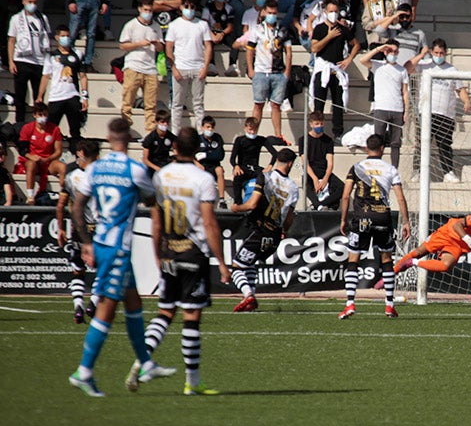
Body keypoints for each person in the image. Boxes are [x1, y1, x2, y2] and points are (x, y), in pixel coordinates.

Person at [68, 118, 175, 397]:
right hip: (117, 248)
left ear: (108, 137)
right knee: (106, 308)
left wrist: (86, 243)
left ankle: (147, 364)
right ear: (128, 138)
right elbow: (153, 201)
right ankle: (84, 371)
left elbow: (77, 207)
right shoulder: (136, 170)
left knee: (134, 301)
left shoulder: (95, 169)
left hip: (103, 242)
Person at [128, 127, 232, 395]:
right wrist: (221, 261)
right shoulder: (203, 178)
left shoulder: (161, 176)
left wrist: (157, 254)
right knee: (191, 315)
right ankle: (192, 382)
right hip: (192, 253)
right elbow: (209, 222)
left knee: (165, 312)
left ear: (174, 147)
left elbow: (156, 222)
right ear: (197, 148)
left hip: (168, 251)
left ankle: (141, 360)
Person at [339, 134, 411, 319]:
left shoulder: (356, 167)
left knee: (353, 259)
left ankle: (349, 304)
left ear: (366, 148)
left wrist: (343, 219)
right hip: (382, 218)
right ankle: (389, 305)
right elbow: (400, 197)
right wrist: (406, 221)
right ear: (382, 149)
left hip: (361, 218)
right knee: (386, 260)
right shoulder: (390, 169)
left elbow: (346, 195)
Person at [230, 147, 299, 312]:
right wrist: (285, 231)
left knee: (237, 267)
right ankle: (251, 302)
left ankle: (248, 295)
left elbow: (252, 204)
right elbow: (289, 218)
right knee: (251, 264)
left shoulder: (265, 177)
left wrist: (236, 208)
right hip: (274, 235)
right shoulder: (293, 188)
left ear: (277, 161)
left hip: (259, 229)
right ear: (290, 164)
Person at [390, 213, 471, 291]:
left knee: (445, 266)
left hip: (457, 247)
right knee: (418, 251)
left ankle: (412, 263)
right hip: (447, 233)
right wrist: (469, 241)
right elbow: (457, 225)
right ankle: (389, 276)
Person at [407, 38, 471, 182]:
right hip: (425, 113)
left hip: (446, 114)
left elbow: (460, 89)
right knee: (422, 143)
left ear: (446, 53)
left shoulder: (452, 70)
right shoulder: (424, 65)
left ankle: (448, 172)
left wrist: (467, 101)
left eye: (441, 53)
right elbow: (407, 68)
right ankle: (417, 171)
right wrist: (420, 55)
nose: (438, 56)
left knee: (444, 144)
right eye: (436, 52)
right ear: (431, 52)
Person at [56, 138, 100, 323]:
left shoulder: (70, 177)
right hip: (99, 228)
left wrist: (60, 228)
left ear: (82, 154)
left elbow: (60, 205)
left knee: (78, 270)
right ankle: (93, 304)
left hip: (78, 229)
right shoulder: (102, 176)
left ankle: (78, 308)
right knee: (103, 271)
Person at [310, 0, 359, 142]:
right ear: (325, 12)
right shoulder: (319, 28)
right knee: (319, 102)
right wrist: (329, 36)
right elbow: (314, 48)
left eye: (336, 11)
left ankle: (338, 133)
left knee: (338, 103)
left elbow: (355, 45)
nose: (333, 14)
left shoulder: (343, 29)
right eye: (331, 11)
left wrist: (348, 59)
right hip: (322, 69)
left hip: (336, 70)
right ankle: (316, 131)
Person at [246, 0, 293, 142]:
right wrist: (250, 69)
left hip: (278, 73)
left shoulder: (283, 30)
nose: (272, 15)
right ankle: (252, 134)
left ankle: (278, 136)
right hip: (260, 72)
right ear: (264, 12)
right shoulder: (257, 29)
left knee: (276, 105)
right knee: (258, 104)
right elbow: (249, 50)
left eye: (274, 13)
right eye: (269, 13)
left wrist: (287, 72)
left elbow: (289, 51)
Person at [166, 0, 213, 134]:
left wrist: (205, 67)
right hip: (180, 67)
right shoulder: (174, 25)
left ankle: (201, 134)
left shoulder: (202, 24)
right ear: (180, 7)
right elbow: (169, 47)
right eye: (186, 7)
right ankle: (175, 133)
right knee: (177, 104)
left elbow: (208, 47)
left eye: (192, 7)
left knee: (198, 104)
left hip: (198, 68)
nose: (189, 10)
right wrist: (173, 68)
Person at [359, 39, 409, 168]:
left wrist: (406, 111)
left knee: (395, 142)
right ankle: (377, 166)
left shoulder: (402, 70)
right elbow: (362, 60)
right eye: (390, 50)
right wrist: (379, 49)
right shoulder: (378, 65)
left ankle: (394, 169)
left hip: (397, 108)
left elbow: (405, 92)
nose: (393, 53)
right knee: (378, 140)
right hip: (381, 108)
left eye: (396, 51)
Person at [36, 24, 87, 149]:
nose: (66, 38)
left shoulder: (78, 54)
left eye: (68, 36)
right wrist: (40, 96)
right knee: (50, 129)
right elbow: (46, 76)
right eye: (63, 36)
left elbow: (83, 76)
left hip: (72, 96)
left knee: (75, 130)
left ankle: (77, 157)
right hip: (55, 97)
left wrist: (85, 97)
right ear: (57, 37)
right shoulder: (51, 56)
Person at [119, 0, 164, 132]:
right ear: (139, 9)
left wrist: (157, 44)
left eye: (150, 10)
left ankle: (150, 131)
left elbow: (161, 48)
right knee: (128, 101)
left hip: (150, 68)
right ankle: (126, 128)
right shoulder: (131, 25)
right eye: (145, 10)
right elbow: (123, 45)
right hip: (133, 66)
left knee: (151, 104)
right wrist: (140, 43)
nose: (148, 13)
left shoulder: (156, 26)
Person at [7, 0, 52, 124]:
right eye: (30, 2)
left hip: (39, 62)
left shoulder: (42, 18)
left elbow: (47, 39)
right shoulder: (16, 18)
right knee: (20, 96)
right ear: (23, 2)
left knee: (38, 98)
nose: (32, 5)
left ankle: (39, 124)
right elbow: (11, 40)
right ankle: (20, 125)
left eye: (34, 2)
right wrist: (11, 61)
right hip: (21, 60)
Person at [19, 103, 67, 205]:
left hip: (48, 161)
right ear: (35, 115)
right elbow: (22, 150)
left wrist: (48, 159)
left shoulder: (54, 129)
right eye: (40, 115)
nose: (43, 117)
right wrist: (31, 157)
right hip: (33, 160)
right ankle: (30, 195)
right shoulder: (27, 128)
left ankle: (64, 194)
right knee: (31, 164)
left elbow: (58, 151)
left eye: (45, 115)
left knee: (62, 167)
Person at [230, 117, 278, 204]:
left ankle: (268, 203)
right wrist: (235, 166)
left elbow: (275, 154)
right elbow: (232, 158)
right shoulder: (240, 140)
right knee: (237, 178)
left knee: (269, 178)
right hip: (243, 168)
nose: (252, 132)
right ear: (245, 128)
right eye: (250, 129)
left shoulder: (261, 139)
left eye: (255, 130)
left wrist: (270, 166)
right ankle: (237, 202)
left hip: (255, 168)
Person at [298, 110, 340, 209]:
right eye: (317, 124)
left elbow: (330, 163)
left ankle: (322, 204)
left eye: (321, 123)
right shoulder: (303, 140)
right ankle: (317, 204)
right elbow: (305, 163)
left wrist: (325, 178)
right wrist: (315, 179)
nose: (319, 126)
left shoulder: (328, 140)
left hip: (323, 170)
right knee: (306, 184)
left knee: (341, 187)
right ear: (311, 124)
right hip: (311, 171)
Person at [196, 116, 227, 209]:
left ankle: (222, 200)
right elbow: (192, 156)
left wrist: (205, 155)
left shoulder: (217, 138)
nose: (210, 129)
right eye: (208, 127)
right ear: (202, 127)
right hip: (201, 166)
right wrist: (197, 163)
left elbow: (220, 155)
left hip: (214, 165)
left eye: (212, 127)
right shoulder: (197, 139)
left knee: (220, 170)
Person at [142, 109, 175, 178]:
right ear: (156, 122)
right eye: (162, 122)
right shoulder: (150, 138)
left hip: (165, 164)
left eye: (167, 122)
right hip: (152, 166)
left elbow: (177, 151)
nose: (165, 124)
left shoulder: (171, 137)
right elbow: (145, 159)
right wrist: (157, 169)